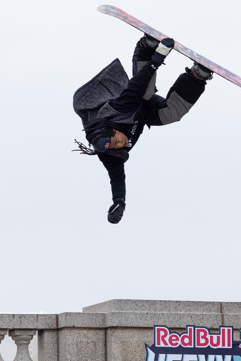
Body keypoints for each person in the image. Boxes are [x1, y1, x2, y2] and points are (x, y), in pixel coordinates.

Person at [73, 34, 214, 224]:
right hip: (142, 114)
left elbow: (137, 84)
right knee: (171, 114)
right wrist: (119, 203)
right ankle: (197, 76)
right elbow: (117, 178)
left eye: (117, 140)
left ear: (113, 129)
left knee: (145, 91)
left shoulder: (117, 110)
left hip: (132, 99)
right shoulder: (109, 154)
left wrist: (159, 55)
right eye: (116, 146)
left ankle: (144, 49)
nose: (121, 145)